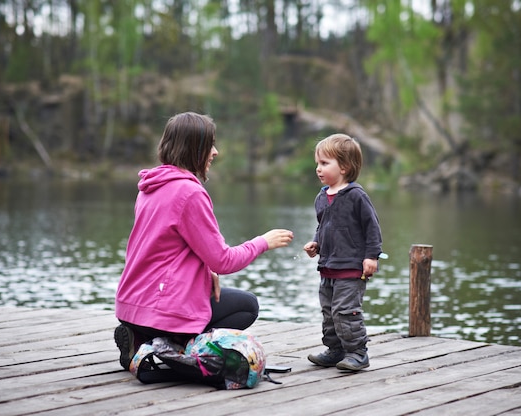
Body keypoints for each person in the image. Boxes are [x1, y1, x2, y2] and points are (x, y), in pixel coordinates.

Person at [114, 111, 294, 371]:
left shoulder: (150, 187)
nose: (216, 152)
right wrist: (263, 241)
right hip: (161, 310)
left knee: (225, 300)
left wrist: (205, 272)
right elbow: (224, 260)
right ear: (194, 149)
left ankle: (140, 336)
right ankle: (165, 344)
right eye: (210, 145)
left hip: (130, 306)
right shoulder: (189, 193)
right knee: (247, 306)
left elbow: (165, 250)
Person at [303, 133, 383, 371]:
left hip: (350, 267)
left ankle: (358, 352)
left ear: (345, 167)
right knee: (329, 313)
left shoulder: (356, 196)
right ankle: (335, 350)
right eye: (317, 163)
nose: (318, 168)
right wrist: (316, 243)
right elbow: (324, 225)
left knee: (346, 311)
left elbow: (372, 228)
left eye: (325, 163)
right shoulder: (321, 196)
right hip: (328, 267)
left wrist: (371, 256)